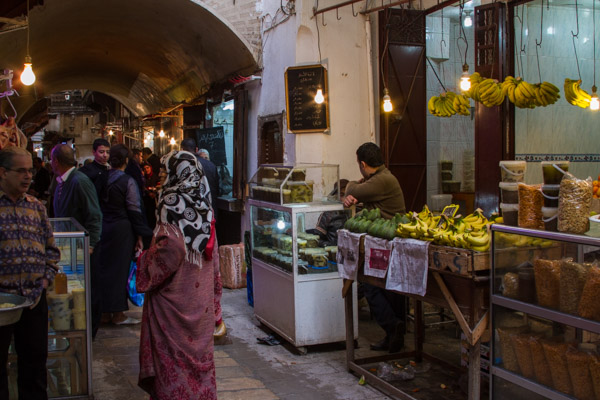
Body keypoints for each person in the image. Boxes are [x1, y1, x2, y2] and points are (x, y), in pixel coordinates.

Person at [137, 150, 217, 399]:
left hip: (175, 300)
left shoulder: (170, 201)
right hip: (200, 297)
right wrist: (215, 297)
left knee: (175, 362)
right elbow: (213, 252)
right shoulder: (204, 202)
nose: (160, 176)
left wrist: (143, 260)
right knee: (199, 360)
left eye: (164, 171)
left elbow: (170, 251)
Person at [0, 146, 60, 399]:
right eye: (21, 171)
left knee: (35, 365)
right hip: (3, 305)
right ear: (3, 173)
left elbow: (52, 250)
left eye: (30, 171)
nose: (28, 177)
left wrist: (46, 278)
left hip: (34, 301)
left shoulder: (36, 208)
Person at [343, 142, 407, 353]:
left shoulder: (382, 180)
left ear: (362, 164)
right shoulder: (380, 178)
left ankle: (392, 327)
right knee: (389, 288)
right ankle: (394, 336)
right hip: (383, 240)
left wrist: (354, 186)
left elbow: (352, 188)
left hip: (386, 243)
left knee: (371, 286)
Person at [50, 144, 103, 339]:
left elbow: (94, 215)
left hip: (83, 249)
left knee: (89, 291)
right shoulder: (62, 181)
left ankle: (89, 332)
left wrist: (91, 245)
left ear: (56, 161)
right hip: (70, 248)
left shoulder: (80, 181)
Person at [98, 144, 153, 325]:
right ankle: (119, 314)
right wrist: (141, 235)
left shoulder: (101, 178)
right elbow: (134, 210)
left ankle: (105, 312)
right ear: (126, 161)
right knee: (120, 270)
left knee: (105, 270)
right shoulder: (127, 181)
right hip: (122, 230)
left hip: (103, 228)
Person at [180, 138, 225, 338]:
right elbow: (218, 190)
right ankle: (211, 319)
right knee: (209, 273)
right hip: (210, 220)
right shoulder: (210, 166)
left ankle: (196, 318)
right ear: (197, 149)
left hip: (190, 229)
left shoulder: (183, 167)